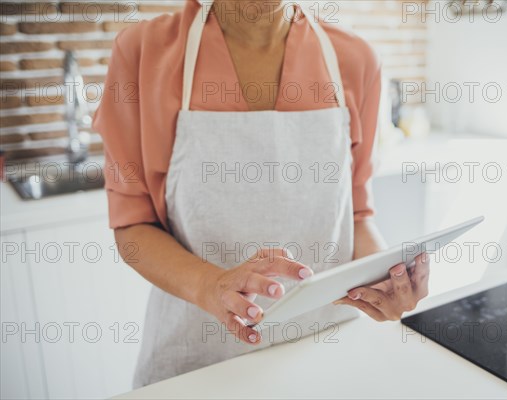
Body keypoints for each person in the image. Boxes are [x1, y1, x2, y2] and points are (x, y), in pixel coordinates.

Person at [93, 0, 430, 388]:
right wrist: (210, 286)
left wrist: (385, 278)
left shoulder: (356, 59)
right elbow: (133, 226)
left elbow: (356, 215)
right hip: (195, 364)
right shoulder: (142, 53)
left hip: (324, 354)